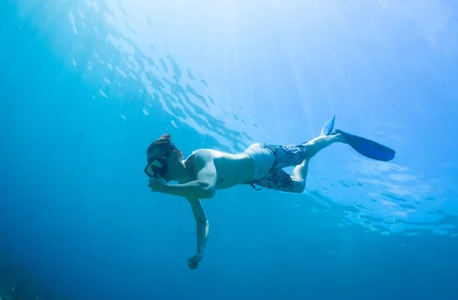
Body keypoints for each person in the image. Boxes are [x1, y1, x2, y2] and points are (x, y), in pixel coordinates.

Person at [144, 115, 395, 269]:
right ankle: (309, 154)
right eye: (153, 168)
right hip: (258, 176)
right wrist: (201, 250)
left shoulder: (200, 158)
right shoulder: (185, 187)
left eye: (160, 162)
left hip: (263, 155)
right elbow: (201, 219)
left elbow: (208, 190)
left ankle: (337, 137)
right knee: (298, 187)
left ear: (176, 154)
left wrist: (165, 189)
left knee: (306, 150)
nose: (159, 171)